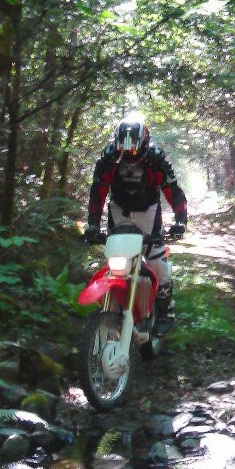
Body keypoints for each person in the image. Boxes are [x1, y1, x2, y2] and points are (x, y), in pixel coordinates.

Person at [83, 113, 187, 334]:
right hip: (119, 210)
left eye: (134, 150)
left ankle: (166, 310)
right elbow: (98, 192)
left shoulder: (155, 158)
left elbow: (172, 190)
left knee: (156, 261)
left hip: (148, 211)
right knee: (116, 263)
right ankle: (118, 305)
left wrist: (180, 221)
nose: (129, 156)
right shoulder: (109, 158)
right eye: (124, 150)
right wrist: (92, 225)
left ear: (144, 144)